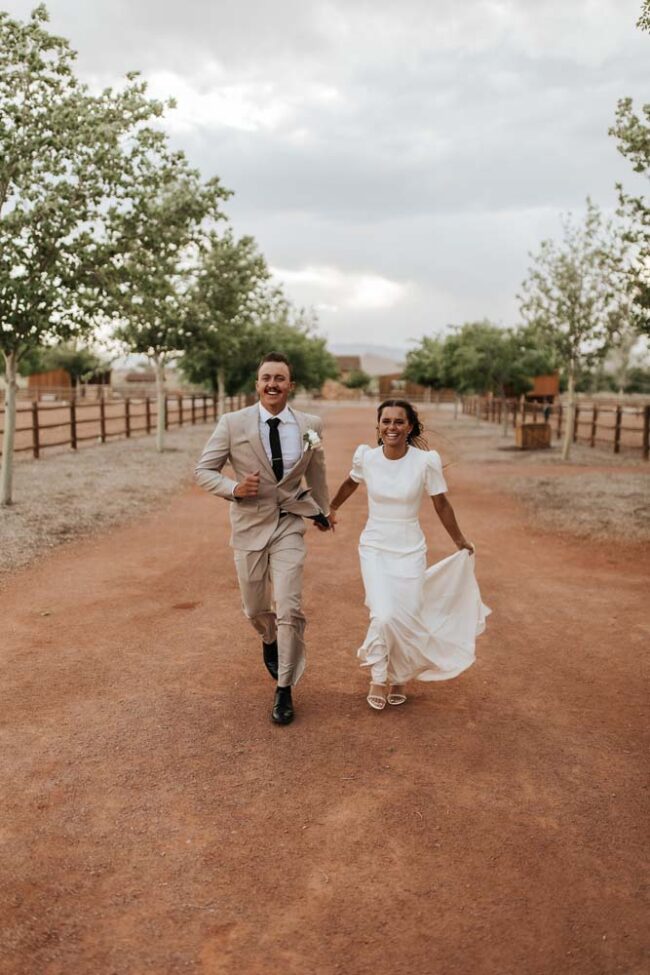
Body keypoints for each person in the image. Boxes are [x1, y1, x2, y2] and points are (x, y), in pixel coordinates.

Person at [195, 352, 333, 726]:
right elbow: (204, 470)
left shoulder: (310, 425)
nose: (273, 384)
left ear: (291, 385)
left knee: (289, 606)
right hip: (249, 524)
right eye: (266, 378)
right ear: (257, 385)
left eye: (280, 378)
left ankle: (285, 687)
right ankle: (268, 637)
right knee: (255, 608)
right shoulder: (232, 423)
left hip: (289, 522)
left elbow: (316, 472)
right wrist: (235, 488)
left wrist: (322, 510)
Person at [329, 399, 490, 710]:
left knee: (407, 614)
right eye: (386, 421)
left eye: (399, 421)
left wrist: (459, 540)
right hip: (375, 547)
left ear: (410, 426)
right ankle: (379, 676)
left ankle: (400, 675)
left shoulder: (425, 462)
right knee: (384, 614)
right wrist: (332, 507)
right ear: (378, 425)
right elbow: (350, 482)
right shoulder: (367, 457)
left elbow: (441, 503)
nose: (392, 427)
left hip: (410, 549)